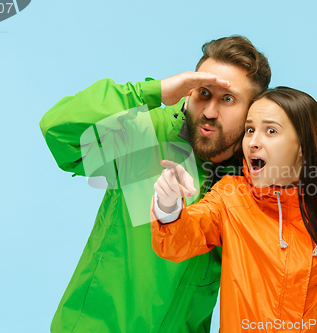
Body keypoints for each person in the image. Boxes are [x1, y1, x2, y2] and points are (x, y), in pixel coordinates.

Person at [39, 36, 271, 332]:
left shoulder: (252, 182)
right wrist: (155, 91)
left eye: (227, 99)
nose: (210, 112)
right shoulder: (145, 133)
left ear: (253, 111)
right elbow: (58, 130)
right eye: (203, 93)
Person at [151, 87, 317, 332]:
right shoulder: (232, 196)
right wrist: (168, 203)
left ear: (302, 146)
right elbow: (179, 240)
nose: (253, 142)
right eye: (250, 130)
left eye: (271, 131)